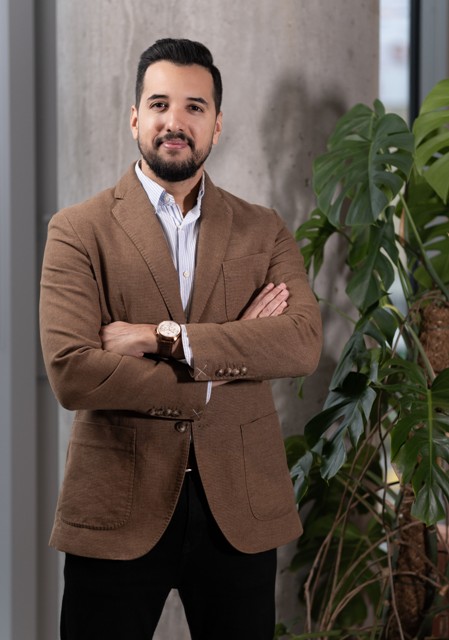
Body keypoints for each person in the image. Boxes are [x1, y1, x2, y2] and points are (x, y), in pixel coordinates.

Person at [40, 38, 322, 640]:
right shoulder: (77, 231)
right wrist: (222, 364)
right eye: (160, 104)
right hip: (116, 505)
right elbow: (72, 372)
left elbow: (299, 343)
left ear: (217, 125)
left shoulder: (264, 229)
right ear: (135, 118)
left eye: (195, 107)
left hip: (238, 508)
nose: (175, 121)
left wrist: (161, 338)